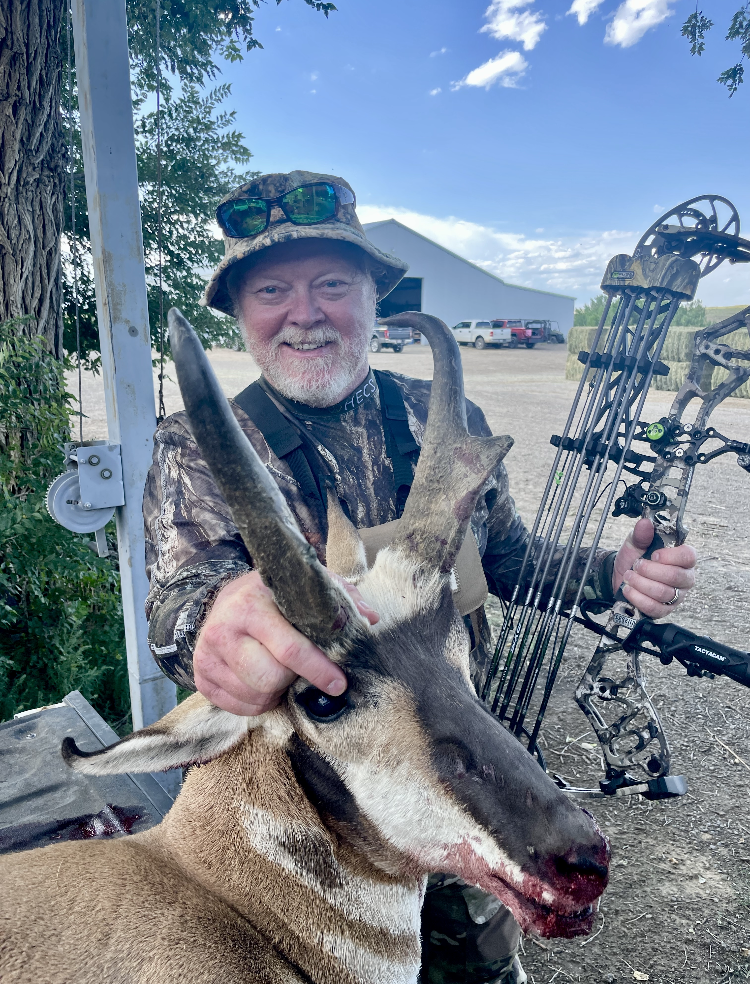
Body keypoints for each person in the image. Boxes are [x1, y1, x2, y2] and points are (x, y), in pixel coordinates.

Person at [143, 170, 697, 984]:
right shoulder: (194, 447)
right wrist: (216, 620)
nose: (305, 312)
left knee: (482, 965)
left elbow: (511, 560)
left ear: (374, 296)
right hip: (322, 819)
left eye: (333, 284)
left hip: (467, 768)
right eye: (271, 290)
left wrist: (609, 573)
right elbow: (182, 602)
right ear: (240, 313)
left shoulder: (446, 418)